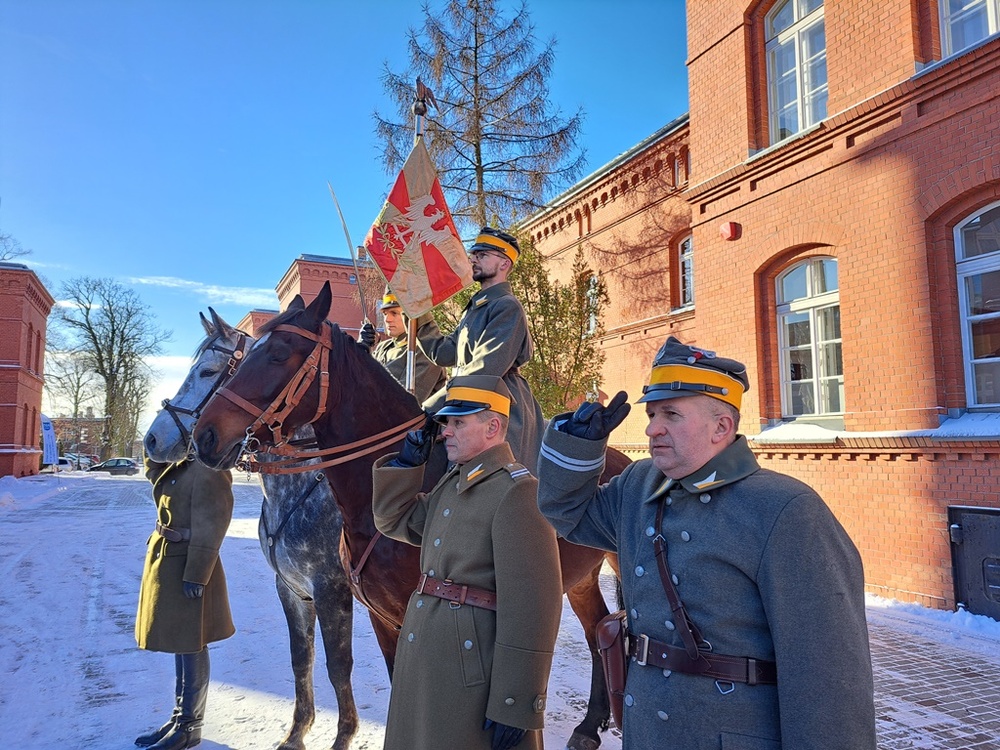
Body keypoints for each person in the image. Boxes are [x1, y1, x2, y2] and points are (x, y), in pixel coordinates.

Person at [536, 336, 877, 749]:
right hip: (648, 735)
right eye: (652, 414)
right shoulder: (638, 487)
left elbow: (828, 679)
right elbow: (567, 513)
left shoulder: (786, 510)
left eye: (672, 414)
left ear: (722, 427)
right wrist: (576, 445)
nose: (652, 427)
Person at [372, 374, 562, 750]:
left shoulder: (518, 491)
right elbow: (394, 520)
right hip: (428, 659)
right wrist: (407, 462)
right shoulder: (453, 483)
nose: (445, 432)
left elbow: (535, 607)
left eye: (458, 422)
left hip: (469, 672)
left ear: (493, 426)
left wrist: (517, 701)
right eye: (446, 423)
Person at [413, 226, 546, 471]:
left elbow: (485, 370)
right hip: (467, 398)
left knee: (498, 478)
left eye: (482, 255)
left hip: (498, 404)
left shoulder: (507, 306)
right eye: (474, 254)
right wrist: (419, 315)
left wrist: (431, 405)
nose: (473, 259)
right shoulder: (476, 307)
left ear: (504, 264)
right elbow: (445, 353)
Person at [134, 456, 235, 750]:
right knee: (181, 642)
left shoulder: (209, 467)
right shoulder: (179, 464)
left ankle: (190, 725)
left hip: (191, 564)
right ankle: (179, 717)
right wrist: (157, 444)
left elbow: (216, 522)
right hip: (168, 560)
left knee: (192, 643)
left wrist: (198, 573)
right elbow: (154, 474)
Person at [357, 290, 448, 403]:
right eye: (385, 314)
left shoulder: (424, 350)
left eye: (394, 313)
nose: (387, 319)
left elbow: (404, 403)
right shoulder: (383, 348)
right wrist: (361, 350)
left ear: (409, 315)